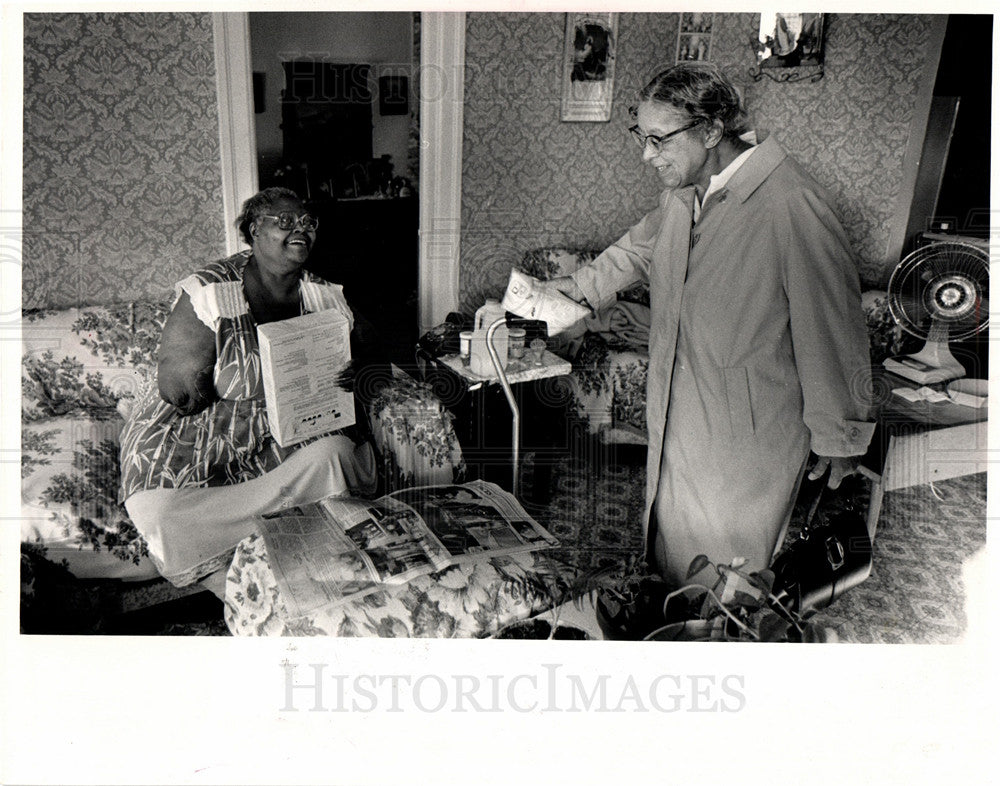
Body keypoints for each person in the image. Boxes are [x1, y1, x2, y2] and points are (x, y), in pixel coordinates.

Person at [548, 63, 874, 587]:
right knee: (672, 547)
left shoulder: (792, 203)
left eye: (658, 140)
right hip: (681, 402)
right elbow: (638, 246)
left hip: (746, 431)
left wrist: (841, 436)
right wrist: (578, 289)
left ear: (712, 130)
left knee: (725, 571)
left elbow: (833, 331)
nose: (646, 155)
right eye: (642, 136)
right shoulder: (686, 191)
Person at [119, 187, 389, 597]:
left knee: (335, 456)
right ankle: (235, 578)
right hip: (202, 428)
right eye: (284, 221)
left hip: (288, 428)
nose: (299, 229)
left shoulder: (323, 294)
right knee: (160, 511)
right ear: (252, 231)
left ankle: (288, 563)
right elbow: (176, 389)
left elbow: (374, 353)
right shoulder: (210, 288)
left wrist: (359, 369)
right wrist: (211, 375)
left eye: (307, 223)